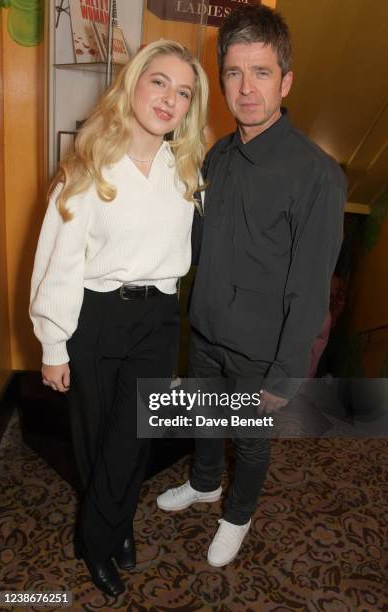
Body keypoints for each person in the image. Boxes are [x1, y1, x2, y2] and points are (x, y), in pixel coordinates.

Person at [157, 5, 347, 567]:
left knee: (250, 438)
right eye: (234, 73)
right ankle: (205, 482)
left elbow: (311, 290)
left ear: (285, 81)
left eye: (261, 72)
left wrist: (283, 379)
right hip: (207, 331)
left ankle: (236, 516)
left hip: (260, 352)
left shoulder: (318, 175)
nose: (246, 88)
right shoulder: (218, 154)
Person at [30, 40, 208, 596]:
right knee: (95, 440)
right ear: (134, 83)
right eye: (159, 82)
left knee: (134, 436)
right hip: (95, 315)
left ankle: (95, 538)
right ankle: (116, 529)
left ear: (189, 107)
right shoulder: (89, 164)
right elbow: (57, 260)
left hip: (157, 318)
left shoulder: (188, 171)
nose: (169, 98)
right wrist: (53, 344)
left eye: (183, 92)